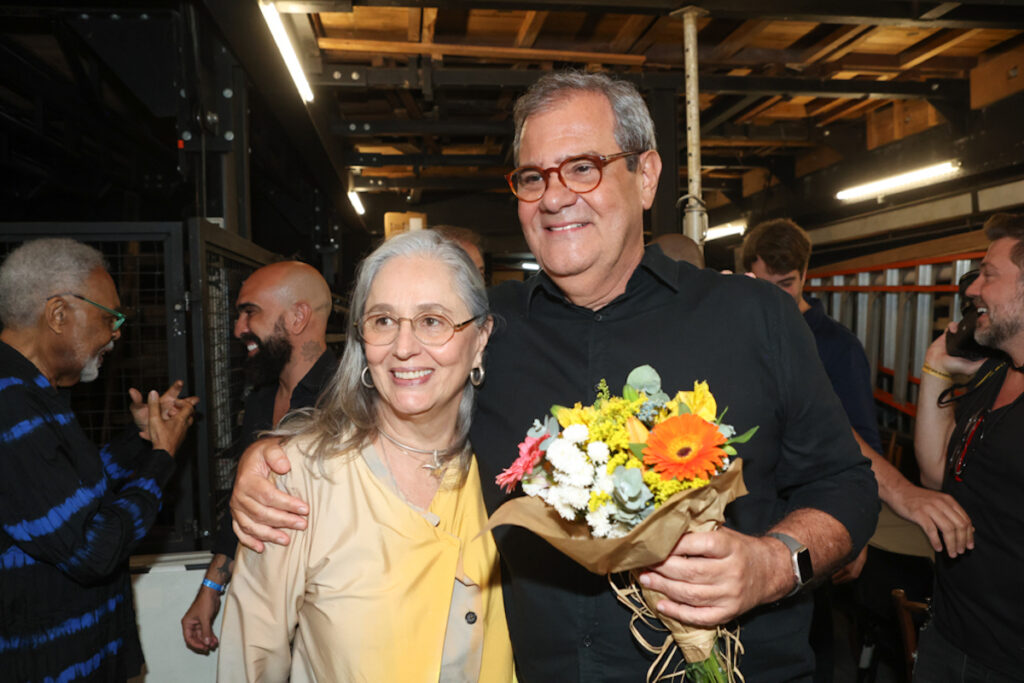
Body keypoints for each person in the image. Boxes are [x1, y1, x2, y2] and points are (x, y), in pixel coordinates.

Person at [231, 71, 878, 681]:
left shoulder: (751, 316)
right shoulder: (491, 327)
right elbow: (387, 394)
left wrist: (775, 564)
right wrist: (270, 452)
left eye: (583, 167)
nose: (556, 196)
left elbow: (846, 482)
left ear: (646, 175)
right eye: (534, 177)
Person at [216, 230, 512, 682]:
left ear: (480, 337)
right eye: (383, 321)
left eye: (432, 320)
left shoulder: (514, 470)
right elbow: (250, 661)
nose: (404, 347)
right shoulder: (300, 479)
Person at [0, 238, 197, 682]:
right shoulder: (9, 404)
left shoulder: (32, 392)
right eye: (109, 317)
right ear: (57, 314)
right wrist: (162, 458)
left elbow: (71, 496)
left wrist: (141, 440)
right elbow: (94, 548)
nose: (116, 332)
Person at [742, 219, 972, 560]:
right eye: (765, 286)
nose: (776, 298)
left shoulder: (838, 347)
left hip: (812, 520)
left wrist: (853, 527)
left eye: (786, 284)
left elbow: (859, 448)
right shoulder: (744, 336)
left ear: (804, 273)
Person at [181, 261, 337, 654]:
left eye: (250, 312)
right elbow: (243, 512)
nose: (238, 328)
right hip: (266, 616)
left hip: (331, 623)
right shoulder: (260, 403)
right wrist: (212, 588)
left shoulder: (351, 399)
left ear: (298, 316)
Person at [912, 212, 1024, 681]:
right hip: (950, 637)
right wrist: (936, 364)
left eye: (989, 274)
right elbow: (937, 474)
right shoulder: (996, 373)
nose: (973, 289)